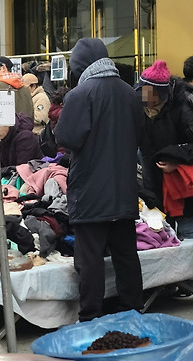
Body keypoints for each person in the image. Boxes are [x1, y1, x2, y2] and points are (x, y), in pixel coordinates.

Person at [55, 38, 144, 320]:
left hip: (91, 190)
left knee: (90, 258)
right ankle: (133, 309)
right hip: (124, 188)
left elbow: (66, 137)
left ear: (79, 65)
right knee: (126, 254)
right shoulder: (130, 93)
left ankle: (90, 315)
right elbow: (139, 134)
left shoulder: (80, 94)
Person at [137, 60, 193, 237]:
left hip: (182, 189)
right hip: (152, 186)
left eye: (149, 93)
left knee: (189, 236)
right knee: (160, 237)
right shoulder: (139, 109)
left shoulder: (183, 108)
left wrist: (176, 161)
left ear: (161, 94)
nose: (144, 97)